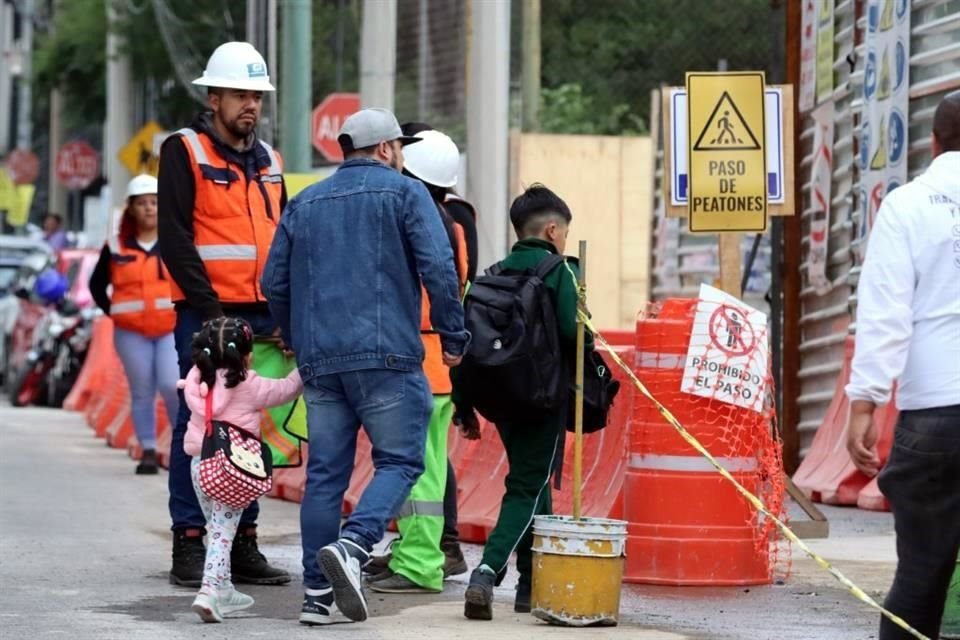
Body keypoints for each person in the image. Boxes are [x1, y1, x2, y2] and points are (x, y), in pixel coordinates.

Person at [261, 108, 469, 625]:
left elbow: (275, 283)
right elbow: (439, 268)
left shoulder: (305, 202)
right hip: (388, 357)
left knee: (325, 477)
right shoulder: (406, 194)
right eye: (399, 147)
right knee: (400, 462)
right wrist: (453, 334)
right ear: (385, 150)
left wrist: (294, 336)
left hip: (321, 360)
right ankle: (354, 548)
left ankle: (315, 595)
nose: (401, 156)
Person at [157, 41, 289, 588]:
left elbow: (283, 243)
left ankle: (241, 544)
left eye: (256, 96)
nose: (250, 105)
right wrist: (212, 315)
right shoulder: (184, 150)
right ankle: (190, 542)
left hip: (261, 313)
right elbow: (175, 239)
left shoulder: (272, 162)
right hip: (207, 317)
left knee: (249, 428)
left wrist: (284, 312)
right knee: (202, 425)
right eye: (239, 94)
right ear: (214, 98)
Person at [845, 90, 960, 640]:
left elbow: (885, 314)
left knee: (920, 577)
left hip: (933, 416)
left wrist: (863, 403)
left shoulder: (908, 205)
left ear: (934, 142)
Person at [459, 184, 582, 621]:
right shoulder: (560, 270)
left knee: (534, 486)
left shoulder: (495, 271)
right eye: (564, 233)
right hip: (542, 399)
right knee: (527, 487)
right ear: (552, 230)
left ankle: (531, 584)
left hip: (500, 397)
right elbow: (573, 332)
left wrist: (465, 404)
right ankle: (487, 572)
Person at [365, 128, 470, 594]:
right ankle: (411, 552)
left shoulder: (417, 223)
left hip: (419, 361)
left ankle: (422, 564)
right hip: (435, 364)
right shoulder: (452, 222)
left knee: (420, 468)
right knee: (417, 463)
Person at [179, 317, 303, 623]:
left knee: (218, 528)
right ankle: (208, 593)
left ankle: (225, 589)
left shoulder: (197, 380)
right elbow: (285, 390)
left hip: (200, 465)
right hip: (231, 469)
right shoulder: (248, 384)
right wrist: (305, 367)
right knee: (223, 535)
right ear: (248, 354)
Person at [89, 175, 179, 475]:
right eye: (142, 204)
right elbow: (96, 284)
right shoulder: (115, 246)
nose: (149, 209)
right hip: (130, 332)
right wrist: (113, 311)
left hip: (169, 328)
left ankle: (181, 447)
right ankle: (149, 450)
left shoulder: (175, 240)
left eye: (154, 203)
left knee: (171, 385)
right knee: (142, 390)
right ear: (131, 209)